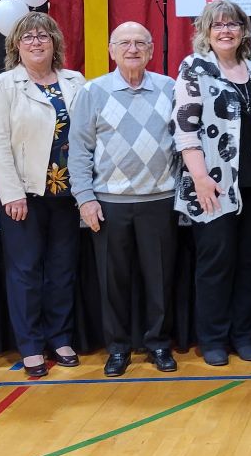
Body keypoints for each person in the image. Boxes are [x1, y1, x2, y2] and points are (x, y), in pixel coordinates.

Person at [69, 21, 180, 377]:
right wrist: (85, 198)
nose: (132, 49)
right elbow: (79, 151)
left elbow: (184, 144)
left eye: (139, 43)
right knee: (112, 281)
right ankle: (117, 349)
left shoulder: (170, 88)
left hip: (159, 199)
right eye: (124, 43)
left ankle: (159, 344)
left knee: (159, 280)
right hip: (109, 202)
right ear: (112, 51)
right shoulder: (93, 92)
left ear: (150, 50)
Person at [0, 12, 87, 378]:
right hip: (24, 192)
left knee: (61, 269)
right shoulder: (2, 85)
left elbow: (87, 136)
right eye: (28, 37)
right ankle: (30, 346)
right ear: (16, 45)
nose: (36, 42)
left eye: (43, 35)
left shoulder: (75, 81)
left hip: (68, 194)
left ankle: (60, 338)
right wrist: (10, 193)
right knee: (25, 271)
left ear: (55, 41)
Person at [174, 0, 251, 366]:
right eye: (218, 26)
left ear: (245, 31)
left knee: (250, 262)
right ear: (206, 32)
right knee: (216, 263)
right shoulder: (194, 67)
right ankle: (212, 338)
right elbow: (185, 127)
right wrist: (199, 177)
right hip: (212, 184)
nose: (226, 31)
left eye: (233, 24)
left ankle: (243, 336)